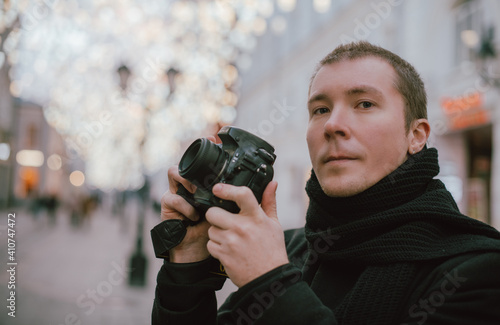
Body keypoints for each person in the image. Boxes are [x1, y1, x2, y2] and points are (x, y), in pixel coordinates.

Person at [151, 41, 500, 324]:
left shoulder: (477, 272)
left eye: (363, 104)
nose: (332, 125)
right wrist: (187, 271)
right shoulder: (288, 251)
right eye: (319, 110)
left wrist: (272, 285)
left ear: (417, 135)